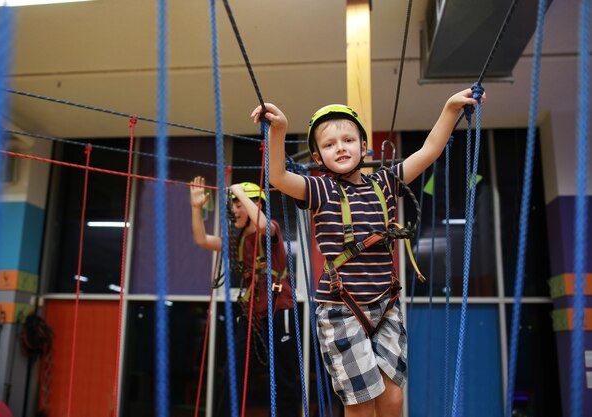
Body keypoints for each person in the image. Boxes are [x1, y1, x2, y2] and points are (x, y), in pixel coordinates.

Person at [250, 88, 485, 417]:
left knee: (391, 399)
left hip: (386, 305)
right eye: (329, 144)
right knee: (360, 404)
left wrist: (449, 109)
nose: (340, 147)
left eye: (348, 140)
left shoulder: (385, 182)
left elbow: (429, 151)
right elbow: (277, 175)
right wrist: (279, 129)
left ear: (363, 146)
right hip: (341, 309)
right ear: (317, 158)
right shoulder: (319, 188)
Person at [189, 177, 301, 417]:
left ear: (255, 205)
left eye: (238, 205)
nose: (234, 211)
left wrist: (239, 191)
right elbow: (202, 240)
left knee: (284, 378)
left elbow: (261, 225)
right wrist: (196, 208)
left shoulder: (270, 229)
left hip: (280, 309)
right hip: (252, 314)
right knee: (233, 375)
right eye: (232, 206)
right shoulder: (237, 240)